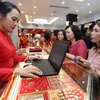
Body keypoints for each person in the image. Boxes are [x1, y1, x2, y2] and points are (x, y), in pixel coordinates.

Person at [0, 1, 42, 82]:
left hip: (10, 77)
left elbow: (12, 57)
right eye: (13, 19)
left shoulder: (6, 35)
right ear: (1, 15)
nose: (16, 24)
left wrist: (29, 58)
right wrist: (18, 71)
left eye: (17, 21)